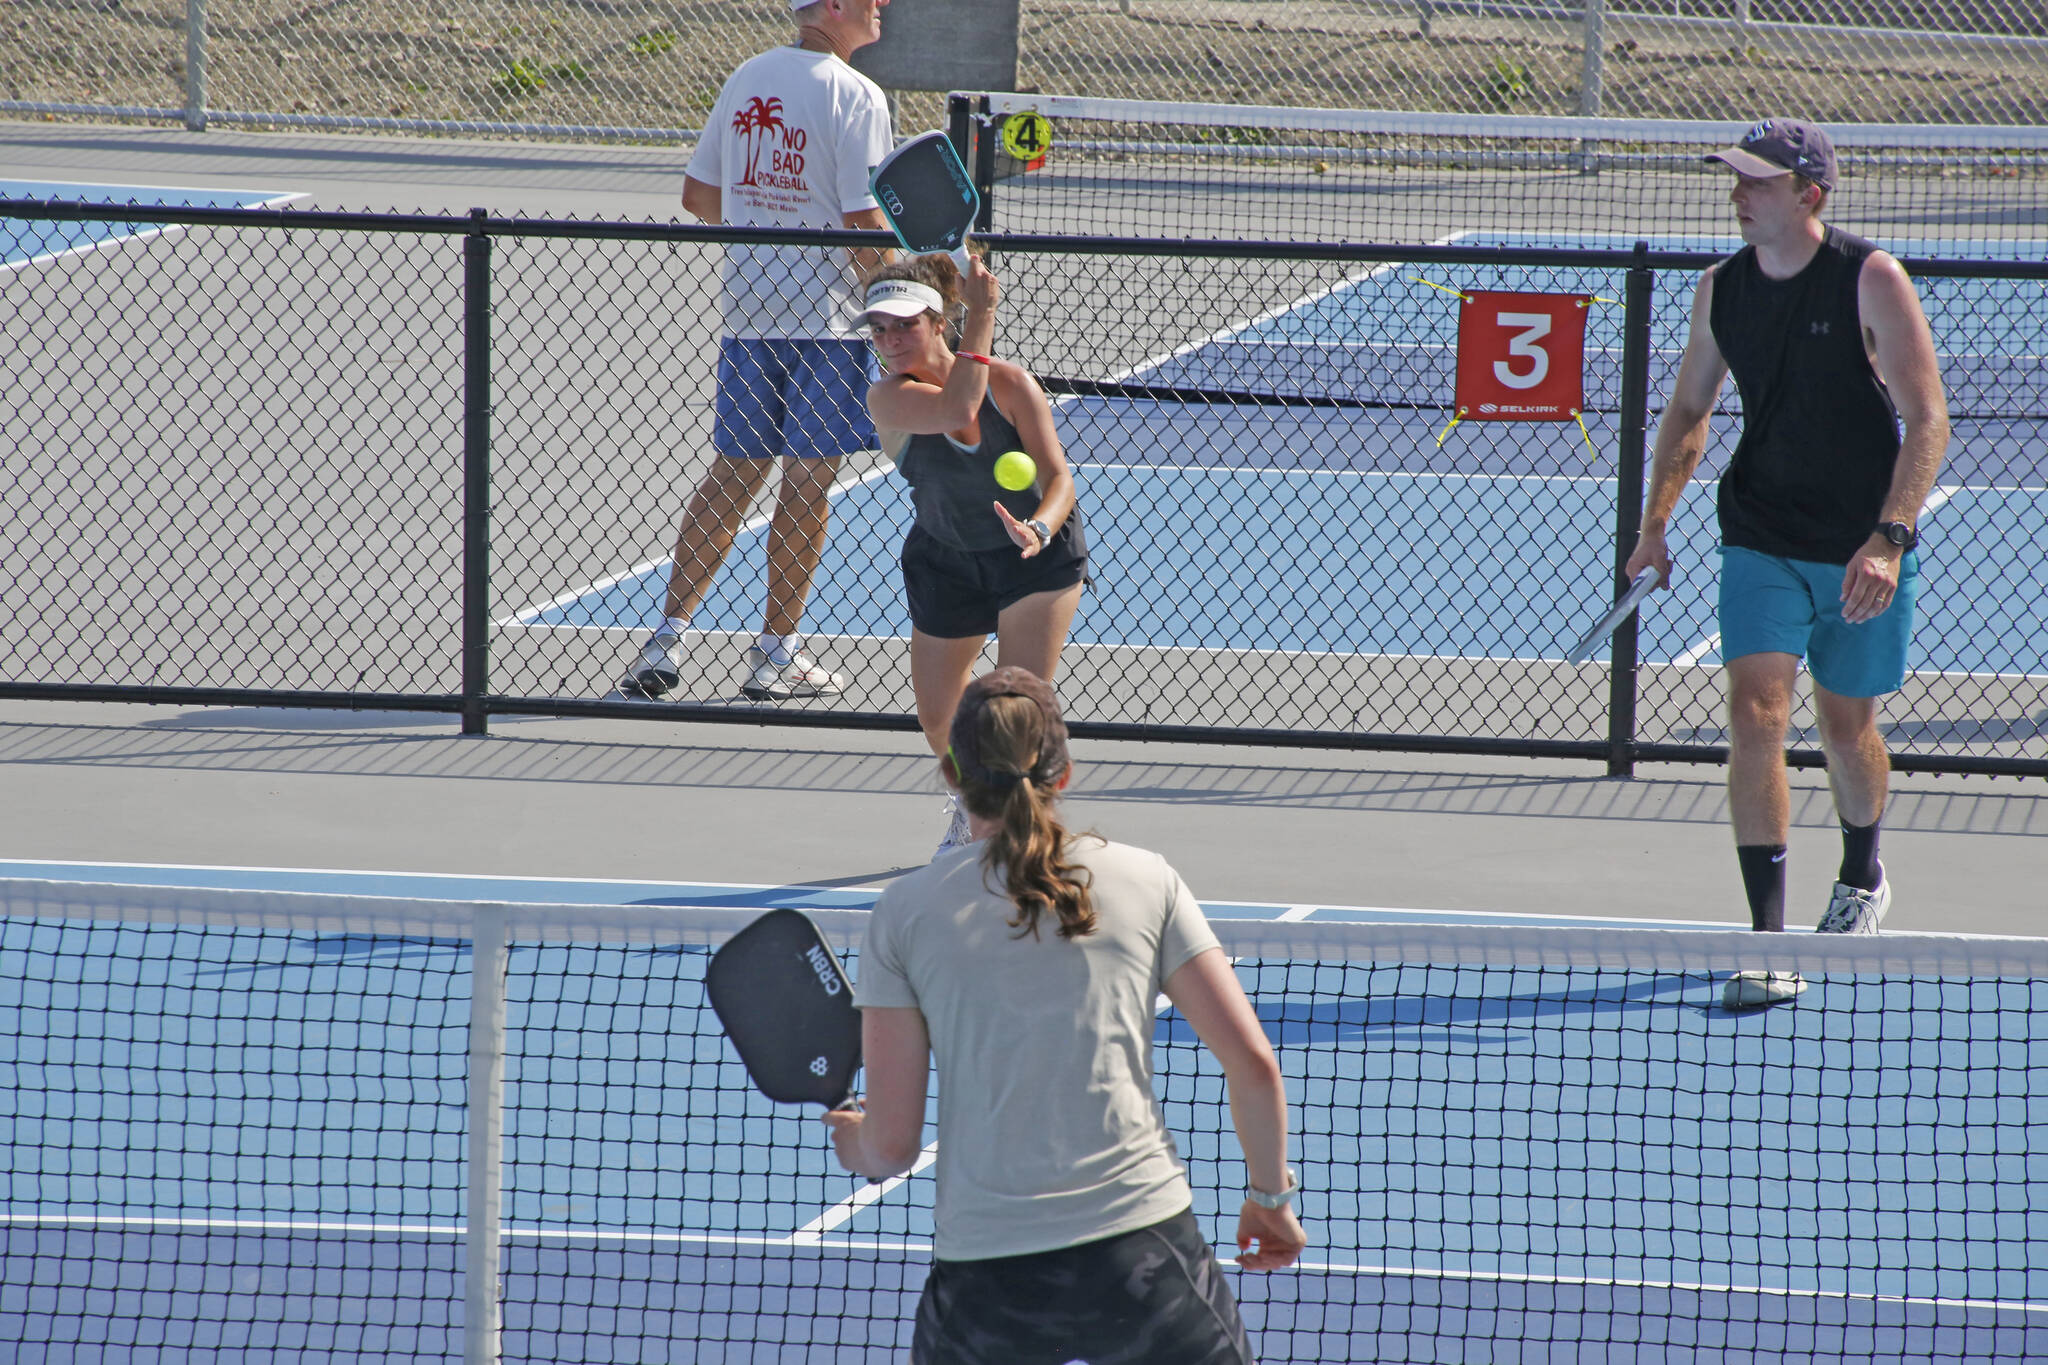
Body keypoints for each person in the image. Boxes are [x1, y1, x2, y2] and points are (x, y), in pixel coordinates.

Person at [823, 667, 1306, 1364]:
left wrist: (852, 1139)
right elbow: (1254, 1063)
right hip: (1145, 1257)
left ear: (952, 773)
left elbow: (891, 1147)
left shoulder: (904, 913)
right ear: (1065, 771)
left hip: (986, 1279)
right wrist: (1269, 1195)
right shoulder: (1148, 879)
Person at [1623, 119, 1950, 1008]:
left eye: (1756, 182)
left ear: (1809, 194)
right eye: (1735, 179)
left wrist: (1889, 538)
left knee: (1847, 733)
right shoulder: (1719, 290)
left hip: (1857, 546)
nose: (1737, 193)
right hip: (1758, 530)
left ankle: (1862, 874)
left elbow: (1928, 420)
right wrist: (1655, 526)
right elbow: (1690, 406)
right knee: (1757, 711)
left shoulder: (1871, 279)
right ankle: (1764, 940)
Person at [618, 0, 894, 703]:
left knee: (732, 476)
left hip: (748, 313)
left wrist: (766, 222)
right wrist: (901, 304)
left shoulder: (747, 76)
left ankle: (665, 643)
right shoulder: (856, 93)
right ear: (833, 6)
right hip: (825, 324)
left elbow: (699, 196)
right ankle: (776, 656)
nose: (881, 5)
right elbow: (863, 221)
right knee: (807, 482)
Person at [860, 253, 1088, 855]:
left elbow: (1058, 479)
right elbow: (958, 408)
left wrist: (1037, 529)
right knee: (939, 720)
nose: (890, 339)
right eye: (879, 328)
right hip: (946, 558)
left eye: (905, 324)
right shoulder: (887, 398)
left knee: (1014, 710)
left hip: (1032, 561)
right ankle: (971, 800)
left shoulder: (1010, 385)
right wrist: (982, 313)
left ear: (939, 322)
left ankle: (1016, 827)